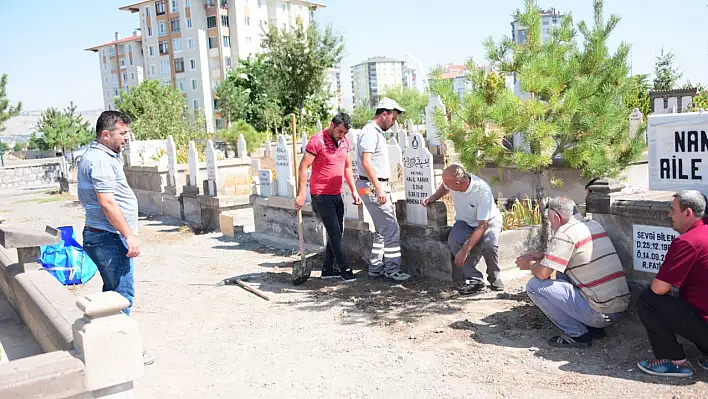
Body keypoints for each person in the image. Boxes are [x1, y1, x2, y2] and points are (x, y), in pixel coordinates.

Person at [77, 110, 154, 365]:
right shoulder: (99, 159)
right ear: (106, 134)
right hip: (109, 237)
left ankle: (107, 346)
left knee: (112, 294)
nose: (126, 138)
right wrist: (129, 235)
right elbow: (108, 203)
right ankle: (122, 352)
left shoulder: (100, 156)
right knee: (122, 295)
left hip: (104, 235)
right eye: (122, 133)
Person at [515, 197, 630, 349]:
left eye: (550, 221)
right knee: (562, 272)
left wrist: (529, 264)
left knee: (535, 286)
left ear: (557, 217)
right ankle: (594, 329)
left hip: (599, 313)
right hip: (618, 308)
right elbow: (574, 254)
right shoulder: (592, 224)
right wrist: (544, 255)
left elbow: (542, 274)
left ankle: (578, 334)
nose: (551, 225)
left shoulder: (565, 233)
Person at [636, 190, 708, 378]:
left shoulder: (688, 241)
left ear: (688, 213)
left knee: (647, 299)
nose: (669, 215)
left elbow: (659, 289)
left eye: (673, 210)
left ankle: (674, 361)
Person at [296, 113, 361, 282]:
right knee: (334, 232)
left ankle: (327, 269)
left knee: (337, 232)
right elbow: (303, 167)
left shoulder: (344, 142)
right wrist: (301, 193)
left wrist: (353, 190)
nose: (342, 136)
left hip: (336, 193)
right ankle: (345, 269)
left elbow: (346, 167)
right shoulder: (317, 141)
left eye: (345, 133)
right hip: (320, 194)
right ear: (331, 125)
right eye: (340, 131)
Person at [423, 164, 504, 294]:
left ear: (458, 182)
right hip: (465, 221)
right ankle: (475, 280)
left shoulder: (482, 191)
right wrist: (433, 198)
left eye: (446, 182)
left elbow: (482, 225)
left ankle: (494, 277)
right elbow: (444, 188)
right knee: (454, 241)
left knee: (489, 244)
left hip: (488, 220)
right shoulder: (452, 184)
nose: (444, 184)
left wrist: (465, 249)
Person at [356, 97, 411, 282]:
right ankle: (392, 269)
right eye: (393, 119)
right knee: (391, 228)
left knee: (381, 228)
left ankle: (375, 267)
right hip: (373, 186)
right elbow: (366, 162)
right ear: (384, 114)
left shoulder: (375, 132)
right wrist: (379, 188)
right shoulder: (370, 132)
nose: (394, 123)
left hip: (371, 185)